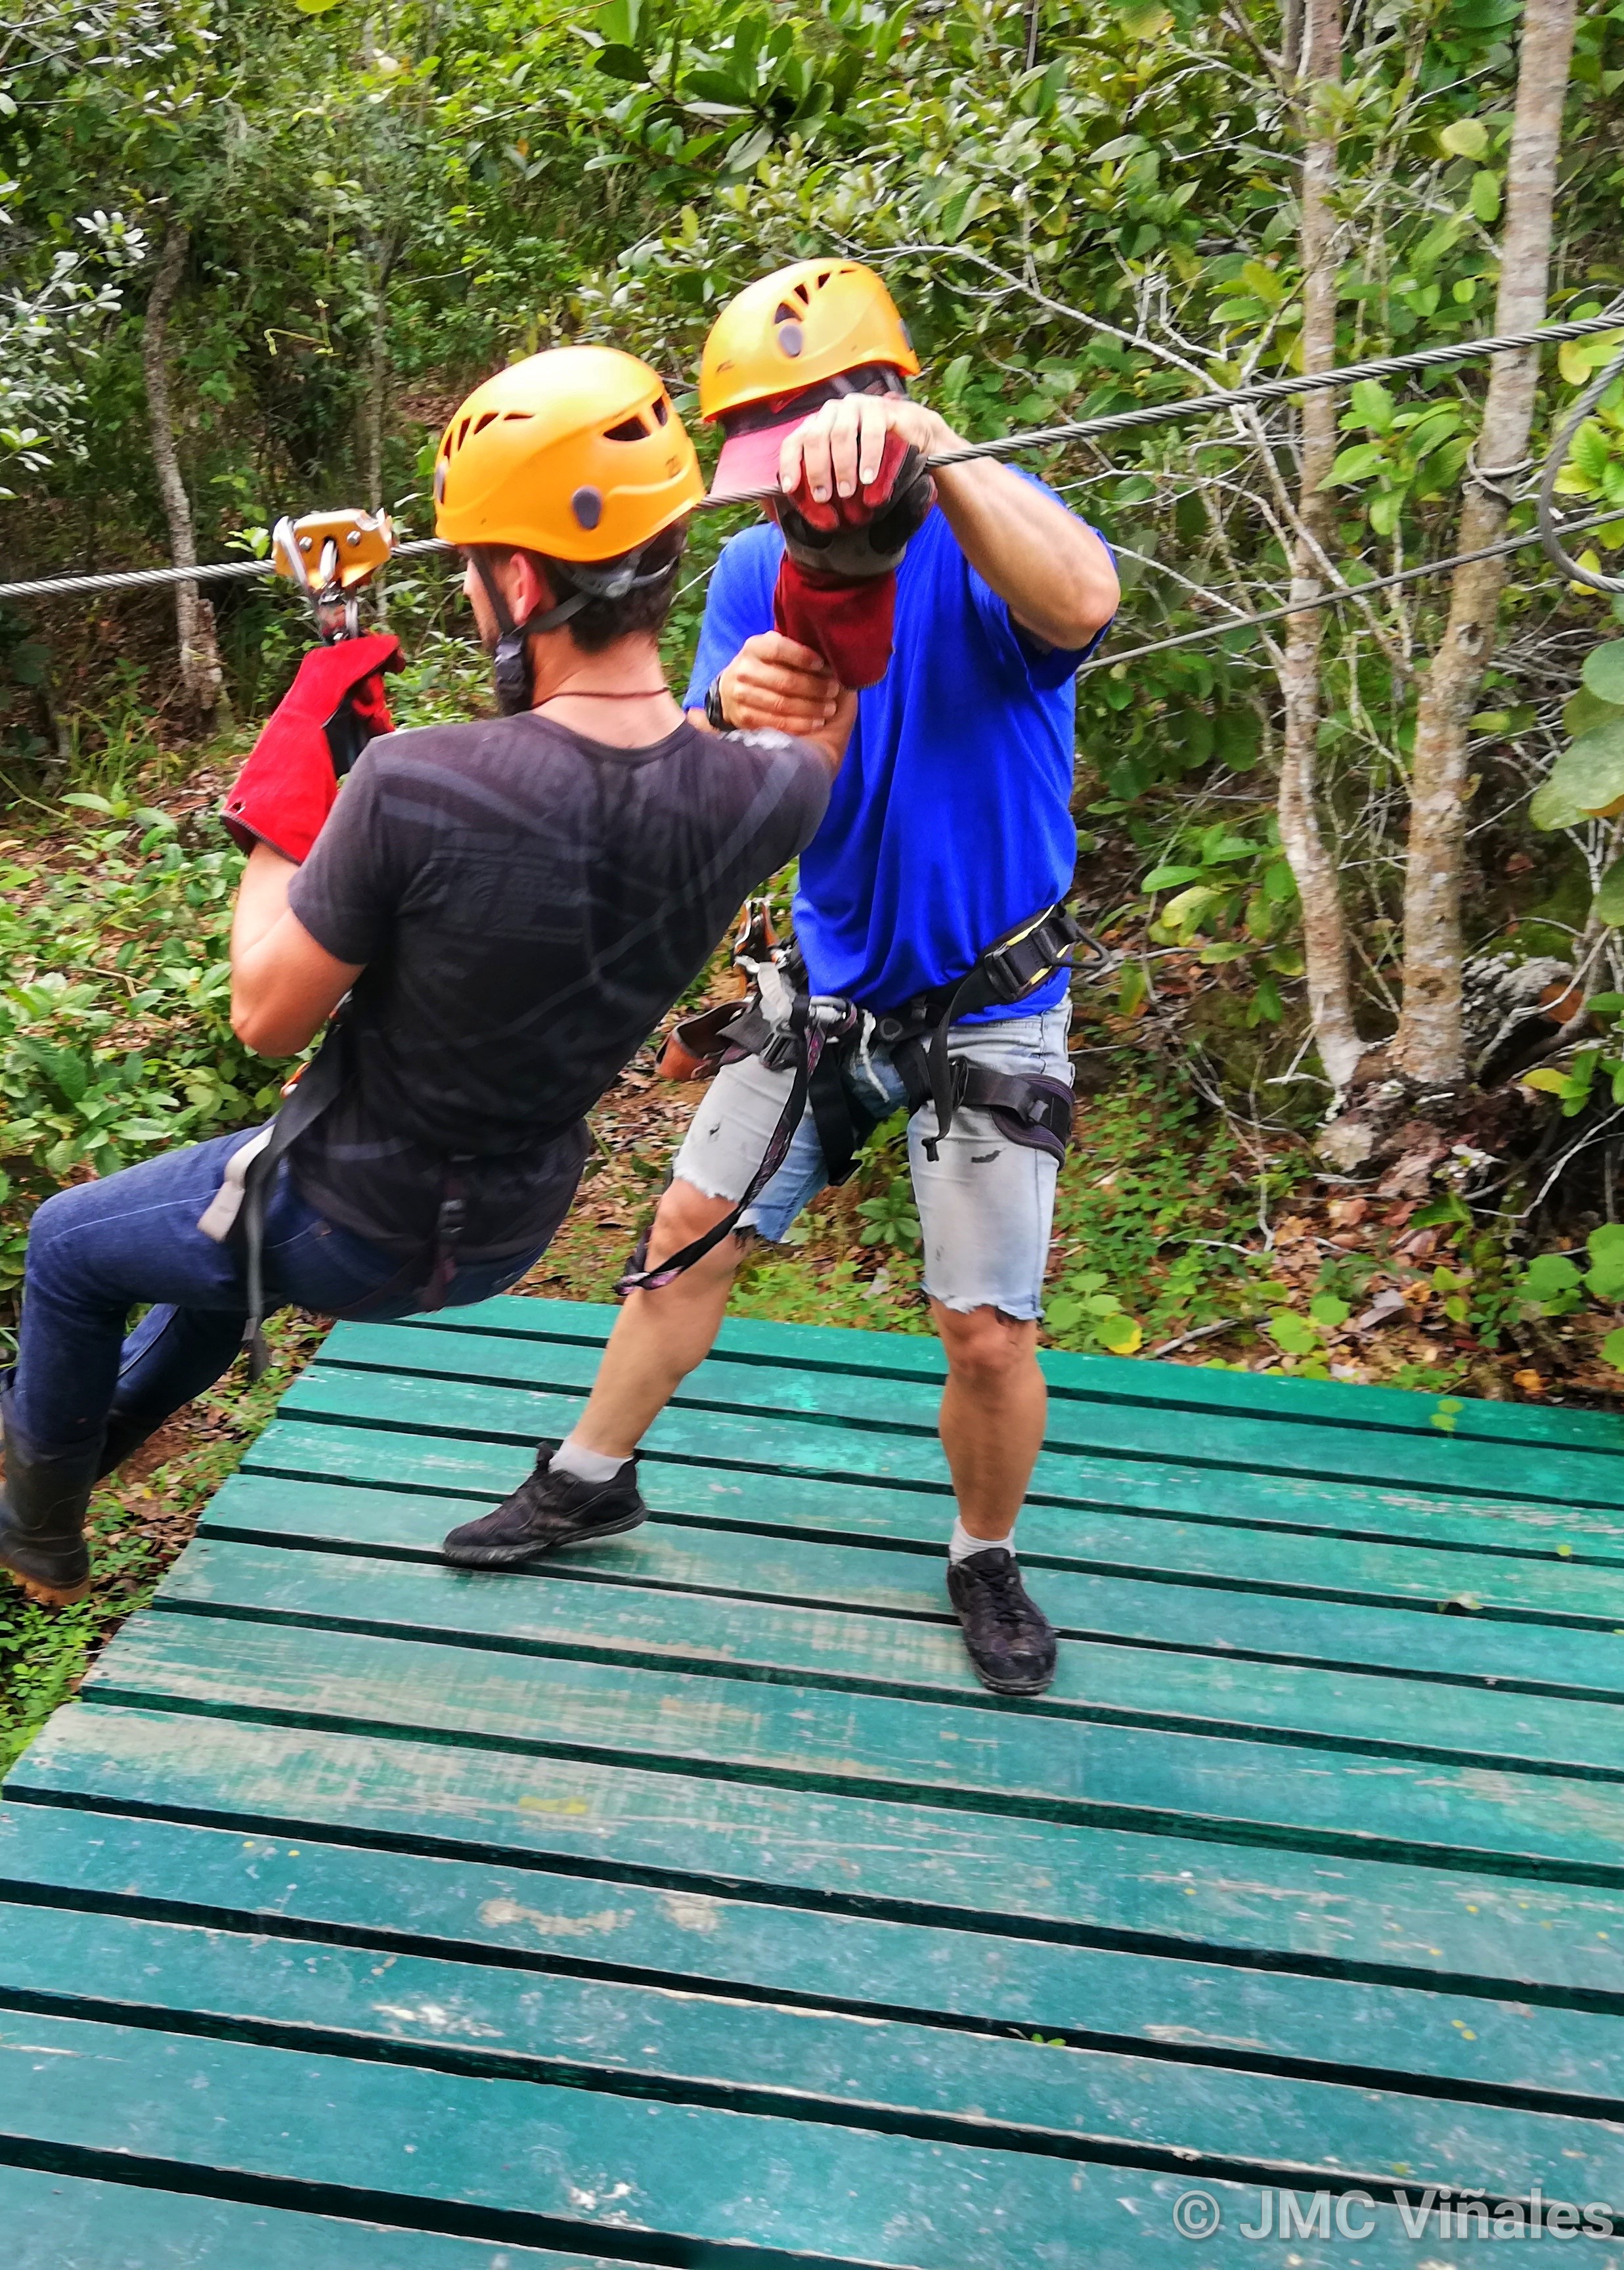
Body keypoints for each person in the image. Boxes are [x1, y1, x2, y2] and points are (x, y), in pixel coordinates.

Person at [0, 345, 843, 1601]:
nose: (465, 594)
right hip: (511, 1225)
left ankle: (37, 1509)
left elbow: (265, 1012)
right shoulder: (768, 792)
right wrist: (797, 631)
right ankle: (53, 1450)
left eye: (468, 571)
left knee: (71, 1246)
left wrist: (284, 808)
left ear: (517, 579)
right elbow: (668, 776)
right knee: (212, 1255)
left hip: (361, 1218)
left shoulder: (419, 785)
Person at [441, 259, 1122, 1699]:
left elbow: (1084, 600)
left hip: (992, 1001)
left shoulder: (991, 533)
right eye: (764, 463)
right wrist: (725, 710)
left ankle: (982, 1556)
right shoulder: (754, 568)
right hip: (822, 990)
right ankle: (588, 1476)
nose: (789, 489)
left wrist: (930, 453)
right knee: (689, 1227)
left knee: (985, 1330)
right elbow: (694, 766)